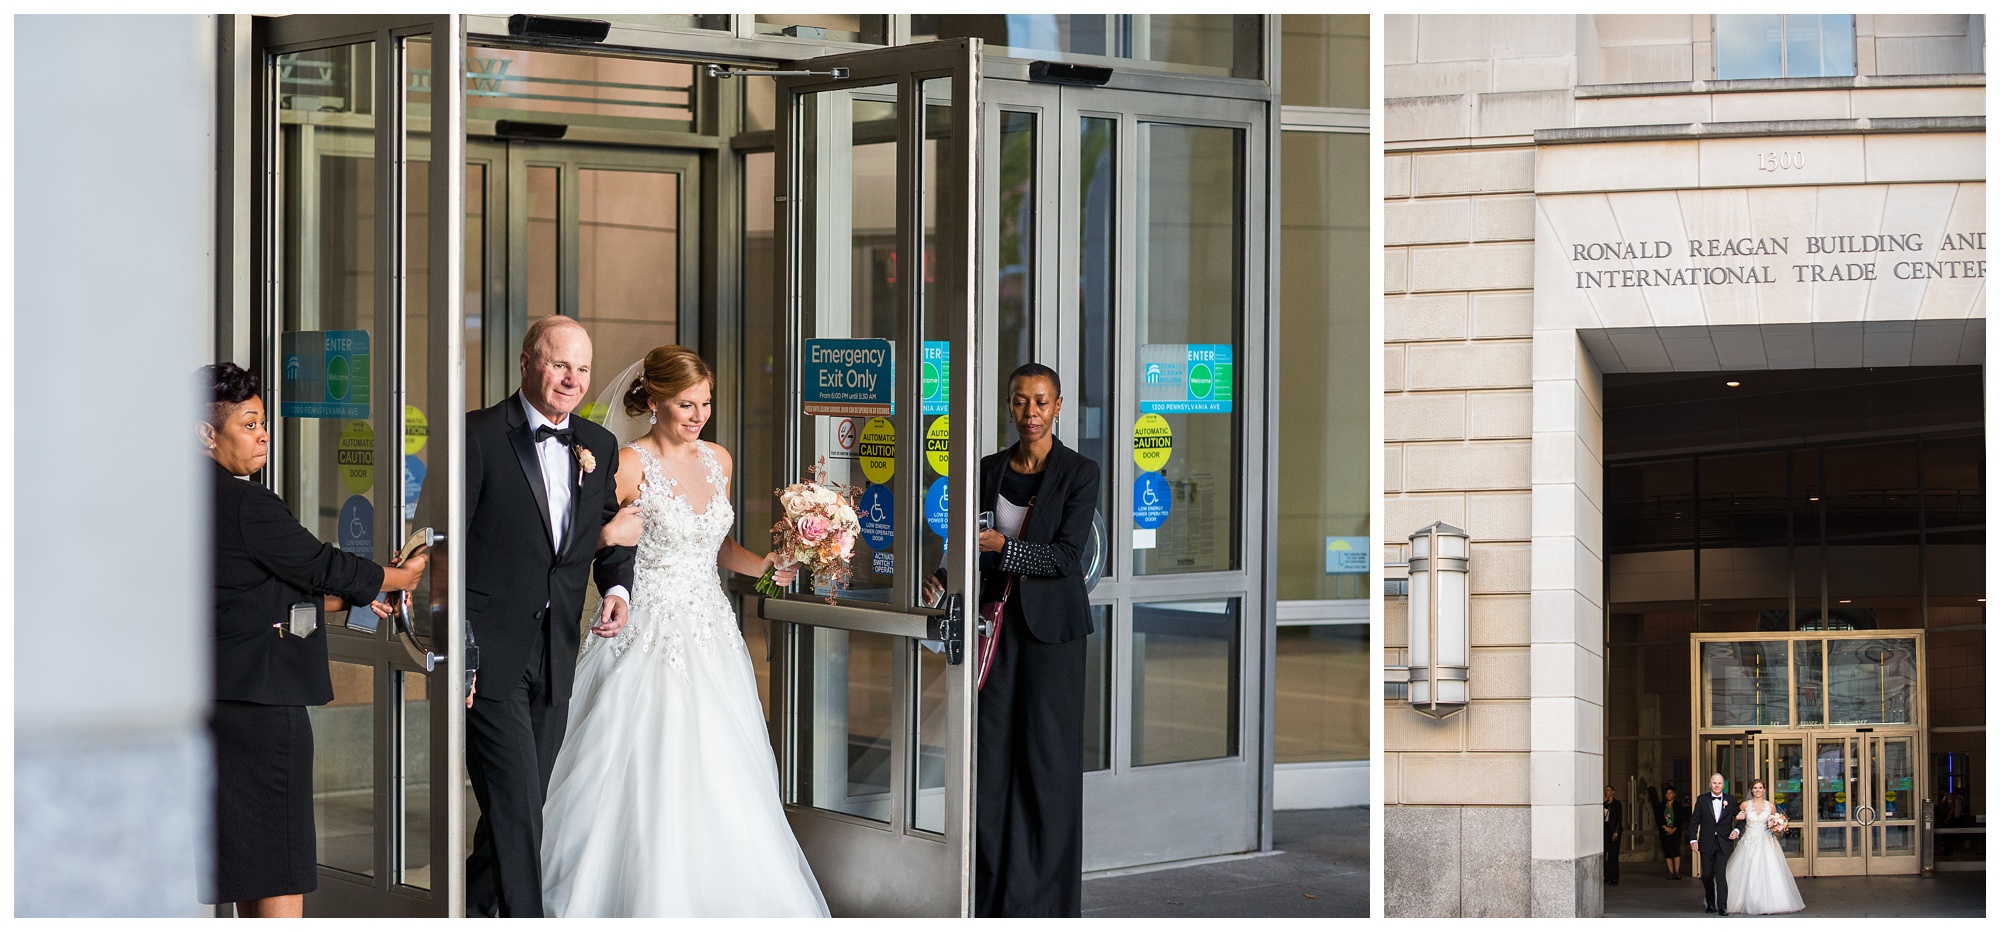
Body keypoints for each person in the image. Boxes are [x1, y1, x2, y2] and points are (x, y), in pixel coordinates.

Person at [538, 344, 824, 916]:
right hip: (646, 630)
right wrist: (605, 539)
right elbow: (574, 544)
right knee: (644, 764)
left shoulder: (719, 459)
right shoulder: (625, 464)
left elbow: (718, 547)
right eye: (686, 404)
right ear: (653, 401)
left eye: (706, 404)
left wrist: (768, 565)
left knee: (723, 769)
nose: (698, 416)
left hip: (712, 632)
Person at [201, 363, 427, 917]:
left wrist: (350, 598)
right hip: (263, 703)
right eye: (249, 423)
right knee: (278, 858)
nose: (263, 435)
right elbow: (316, 562)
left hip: (217, 699)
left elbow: (251, 592)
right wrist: (396, 578)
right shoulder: (243, 503)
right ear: (206, 434)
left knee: (247, 857)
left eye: (263, 423)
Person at [463, 316, 637, 918]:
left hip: (557, 649)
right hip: (490, 656)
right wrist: (461, 649)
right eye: (560, 364)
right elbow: (450, 550)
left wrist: (617, 585)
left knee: (523, 806)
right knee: (515, 803)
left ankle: (471, 909)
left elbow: (607, 532)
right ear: (527, 362)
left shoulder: (600, 445)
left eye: (582, 368)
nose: (572, 379)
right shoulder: (478, 435)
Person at [925, 363, 1100, 916]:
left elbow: (1069, 558)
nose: (1031, 413)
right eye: (1021, 402)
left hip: (1053, 639)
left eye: (1041, 402)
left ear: (1059, 405)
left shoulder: (1079, 472)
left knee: (1047, 767)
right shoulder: (987, 469)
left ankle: (1046, 906)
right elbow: (966, 544)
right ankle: (992, 898)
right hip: (993, 631)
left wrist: (1005, 546)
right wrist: (942, 574)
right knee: (992, 765)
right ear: (1008, 405)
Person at [1725, 778, 1804, 915]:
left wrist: (1779, 826)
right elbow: (1735, 818)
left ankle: (1770, 902)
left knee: (1770, 870)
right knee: (1746, 871)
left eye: (1760, 788)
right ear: (1751, 790)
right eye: (1755, 788)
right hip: (1749, 840)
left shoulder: (1770, 806)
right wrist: (1737, 818)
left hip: (1766, 840)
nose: (1757, 790)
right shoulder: (1745, 805)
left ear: (1764, 790)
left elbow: (1774, 821)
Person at [1689, 772, 1741, 916]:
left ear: (1723, 785)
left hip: (1724, 843)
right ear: (1710, 784)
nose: (1717, 785)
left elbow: (1740, 817)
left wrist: (1737, 829)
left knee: (1720, 875)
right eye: (1714, 783)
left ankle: (1722, 906)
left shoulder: (1731, 800)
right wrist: (1693, 839)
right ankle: (1710, 903)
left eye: (1719, 783)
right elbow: (1694, 822)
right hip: (1706, 843)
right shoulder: (1702, 800)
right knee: (1707, 875)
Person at [1657, 784, 1688, 880]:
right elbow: (1658, 818)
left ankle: (1677, 872)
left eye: (1670, 793)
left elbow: (1681, 819)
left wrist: (1673, 829)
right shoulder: (1661, 805)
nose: (1668, 795)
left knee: (1675, 850)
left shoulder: (1678, 805)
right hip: (1664, 831)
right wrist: (1666, 828)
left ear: (1674, 794)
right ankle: (1671, 871)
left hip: (1676, 831)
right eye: (1667, 793)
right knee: (1667, 851)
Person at [1603, 785, 1623, 885]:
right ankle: (1607, 875)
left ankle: (1615, 877)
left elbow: (1619, 818)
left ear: (1612, 792)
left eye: (1608, 790)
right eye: (1605, 790)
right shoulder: (1604, 804)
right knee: (1604, 853)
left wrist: (1616, 831)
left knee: (1613, 854)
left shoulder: (1617, 804)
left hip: (1614, 830)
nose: (1606, 792)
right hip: (1605, 830)